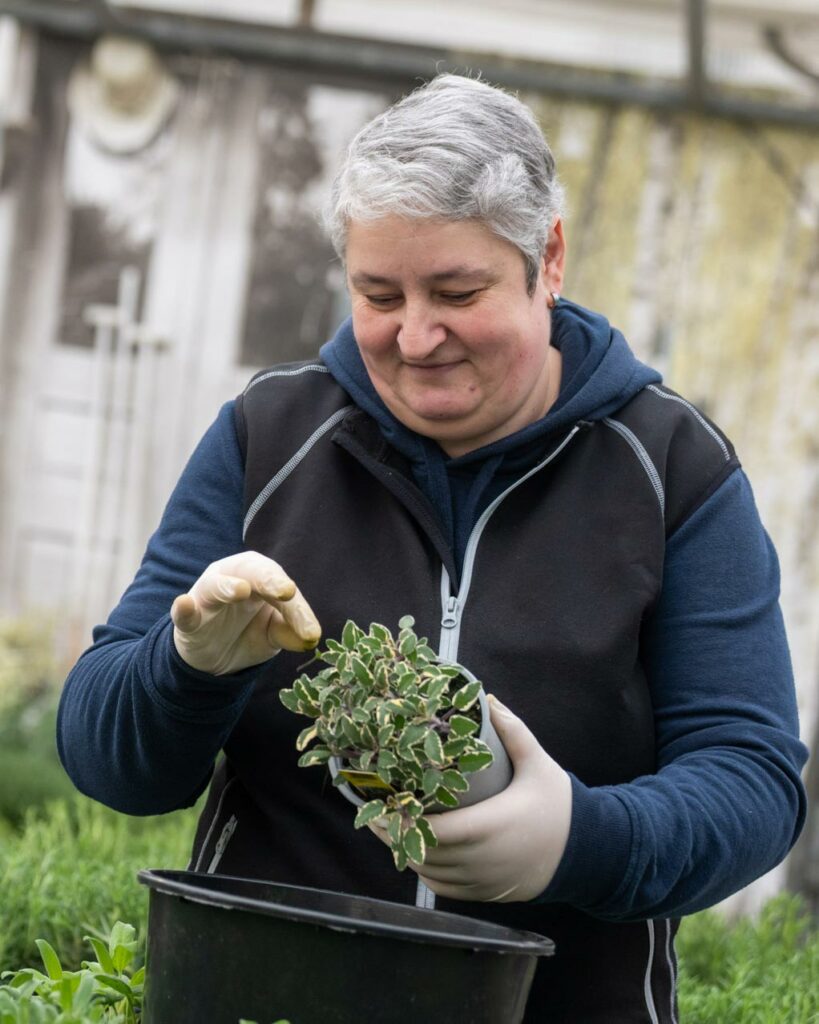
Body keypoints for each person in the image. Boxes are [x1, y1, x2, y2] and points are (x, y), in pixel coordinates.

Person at [57, 74, 807, 1023]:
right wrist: (184, 667)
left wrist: (579, 839)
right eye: (378, 293)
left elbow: (750, 783)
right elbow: (108, 762)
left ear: (549, 259)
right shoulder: (269, 436)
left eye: (458, 290)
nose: (415, 336)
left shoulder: (673, 471)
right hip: (264, 997)